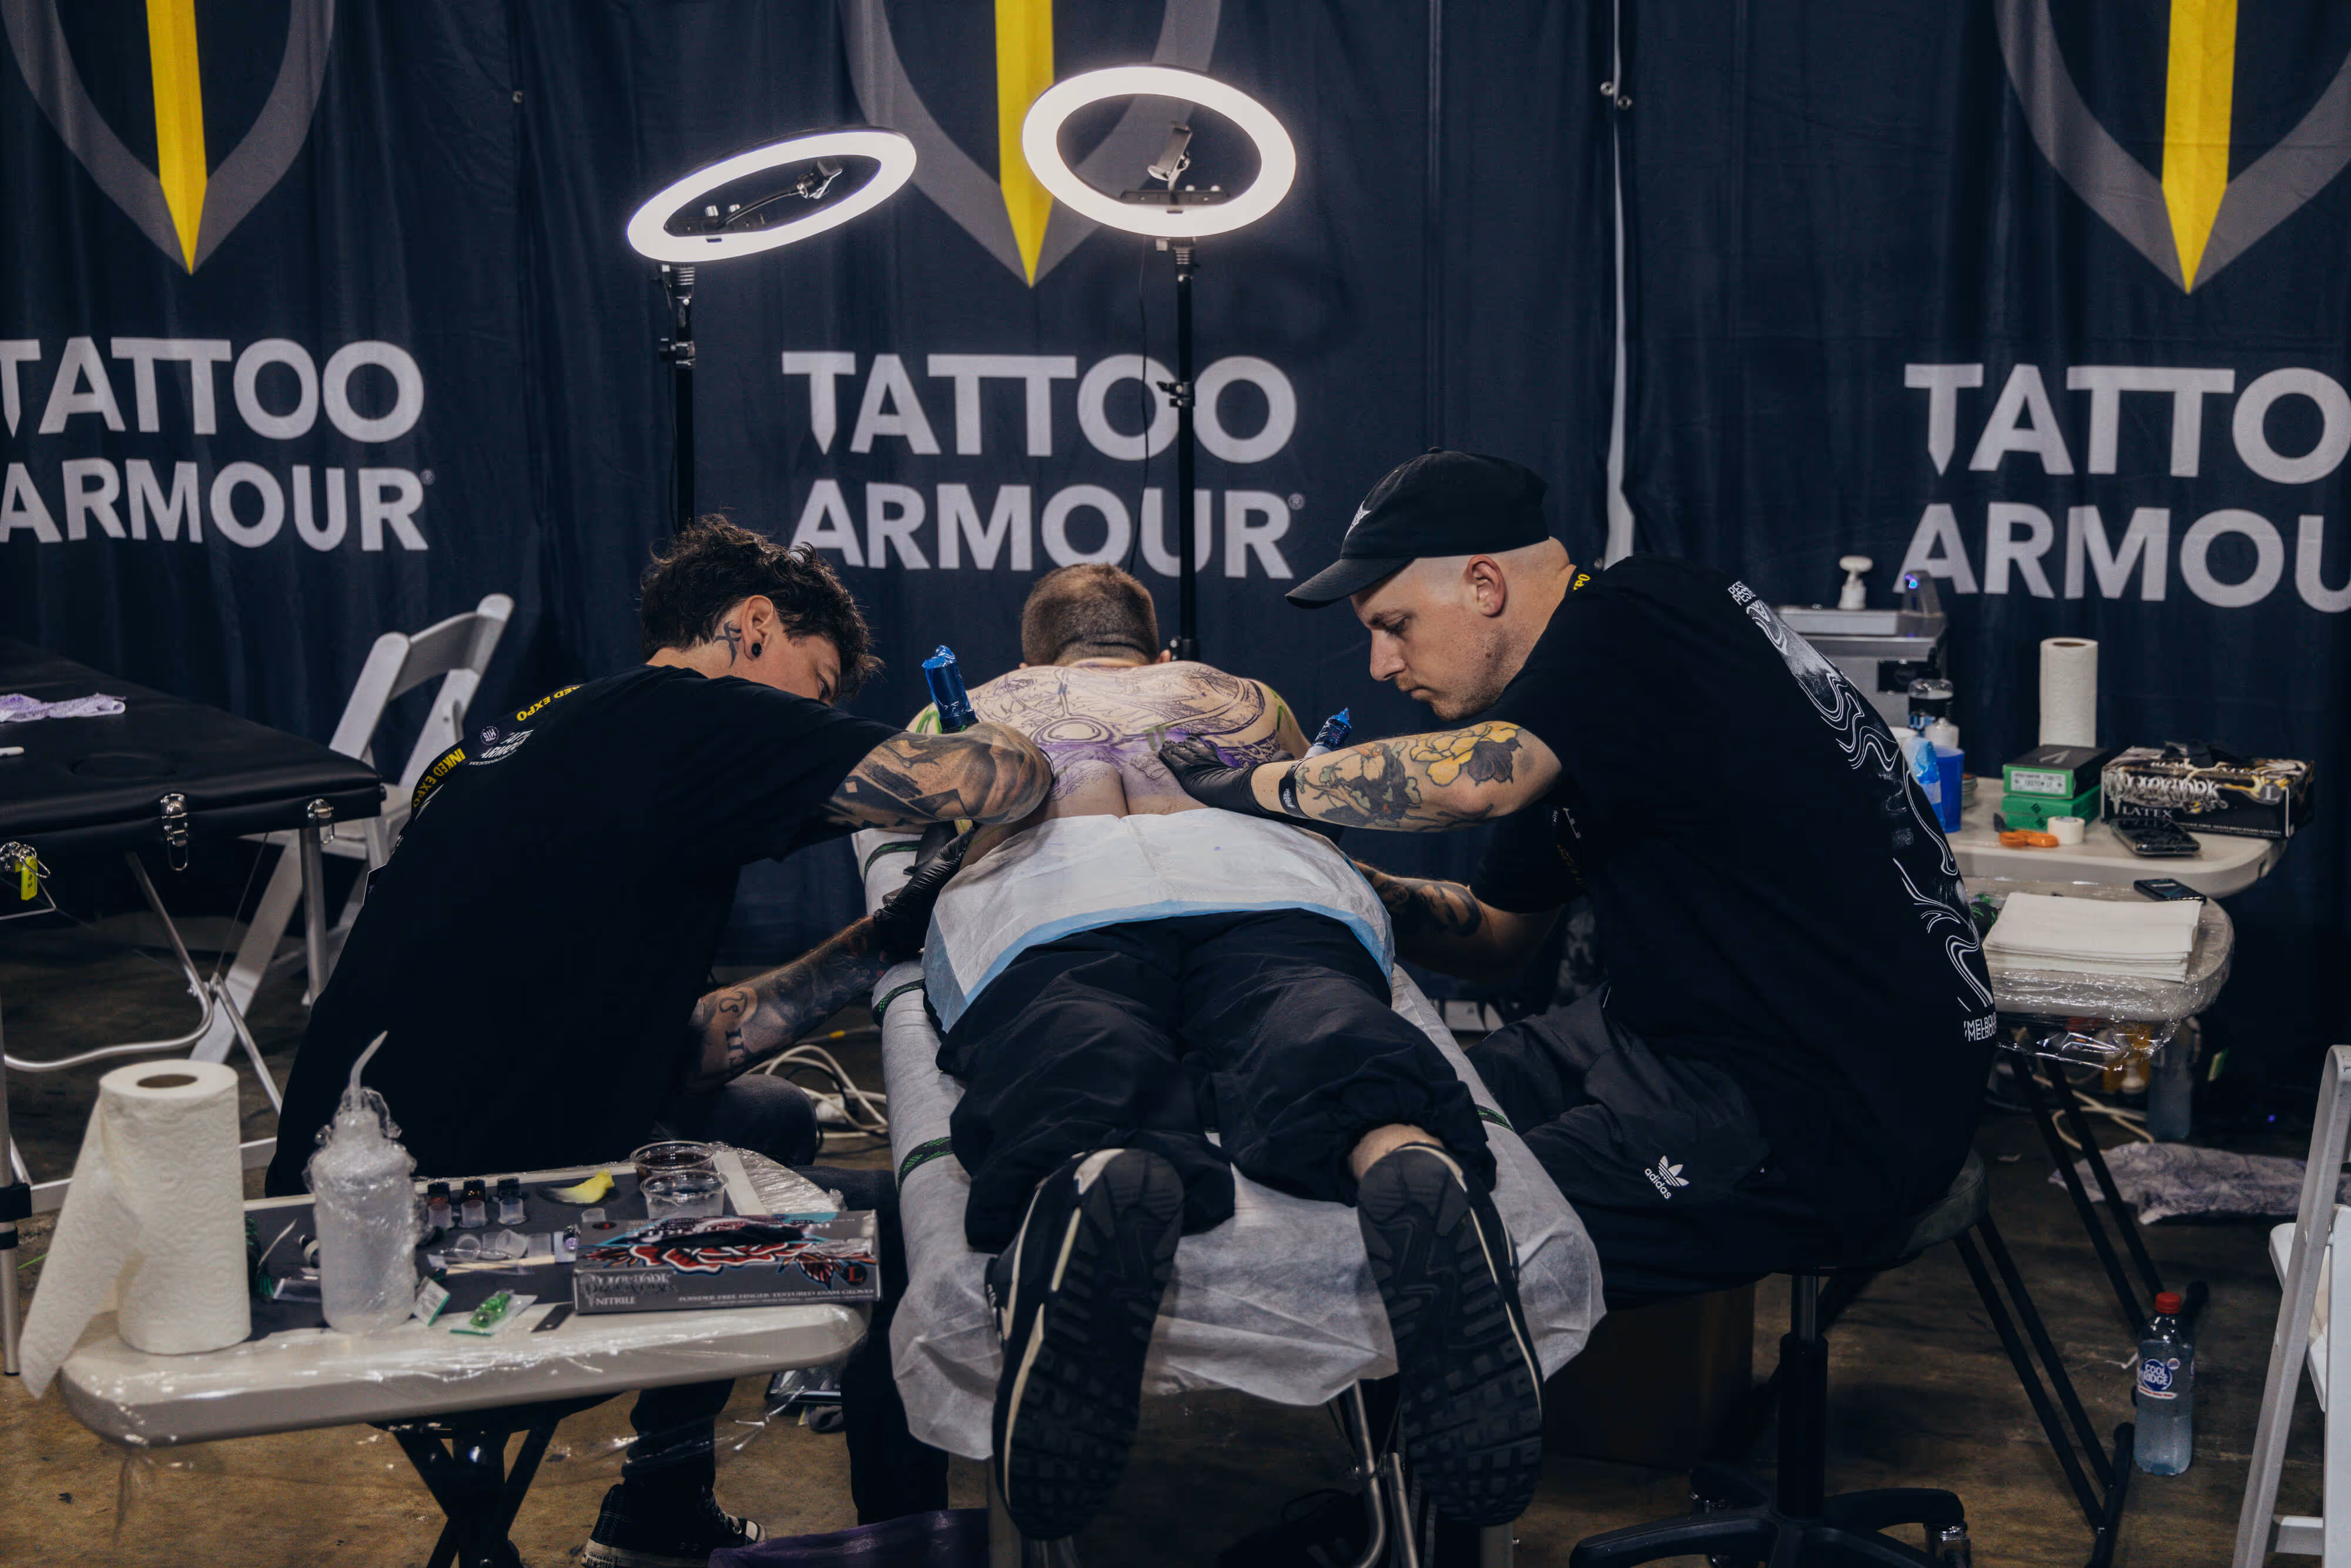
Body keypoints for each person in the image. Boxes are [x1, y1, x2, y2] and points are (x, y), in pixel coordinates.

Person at [266, 518, 1052, 1568]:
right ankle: (899, 1547)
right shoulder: (697, 715)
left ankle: (659, 1509)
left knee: (767, 1116)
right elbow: (994, 778)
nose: (813, 723)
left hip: (330, 1215)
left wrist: (878, 944)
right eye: (815, 691)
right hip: (439, 1251)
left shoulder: (558, 733)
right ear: (753, 625)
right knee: (909, 1237)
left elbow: (677, 1047)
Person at [1158, 450, 1997, 1312]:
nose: (1382, 664)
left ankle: (1424, 1428)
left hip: (1831, 1098)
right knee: (1388, 1104)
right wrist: (1323, 876)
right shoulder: (1575, 706)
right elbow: (1493, 938)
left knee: (1431, 1237)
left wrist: (1262, 789)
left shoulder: (1639, 612)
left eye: (1395, 624)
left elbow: (1472, 781)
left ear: (1484, 585)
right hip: (1667, 1036)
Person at [905, 564, 1544, 1544]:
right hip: (1267, 888)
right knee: (1319, 1027)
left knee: (1074, 1046)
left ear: (1029, 659)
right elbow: (1298, 803)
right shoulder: (1239, 700)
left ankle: (1098, 1167)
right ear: (1160, 653)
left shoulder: (977, 709)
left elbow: (926, 831)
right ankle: (1403, 1156)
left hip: (1053, 905)